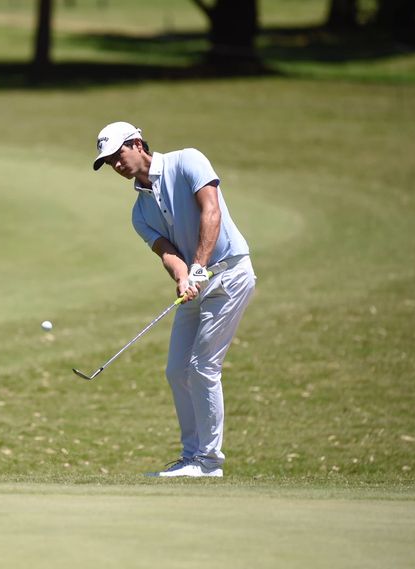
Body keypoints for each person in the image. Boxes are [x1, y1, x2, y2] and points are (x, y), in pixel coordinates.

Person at [93, 121, 256, 478]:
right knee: (176, 370)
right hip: (197, 284)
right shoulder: (140, 213)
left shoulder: (188, 161)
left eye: (118, 155)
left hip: (229, 273)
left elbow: (210, 211)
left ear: (137, 144)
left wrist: (199, 266)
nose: (115, 165)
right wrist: (184, 276)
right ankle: (191, 457)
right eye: (108, 162)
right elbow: (166, 252)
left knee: (202, 367)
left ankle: (209, 463)